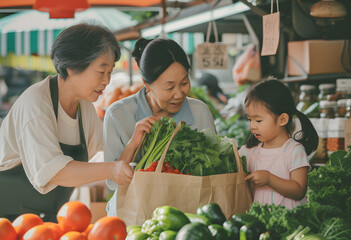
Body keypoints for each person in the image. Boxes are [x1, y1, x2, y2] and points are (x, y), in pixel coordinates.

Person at [0, 23, 134, 222]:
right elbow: (52, 172)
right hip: (7, 221)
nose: (107, 80)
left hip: (49, 222)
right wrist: (111, 170)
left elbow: (107, 152)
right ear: (72, 67)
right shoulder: (36, 104)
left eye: (110, 72)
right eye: (101, 71)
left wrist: (134, 141)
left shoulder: (84, 108)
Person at [104, 37, 216, 216]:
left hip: (187, 214)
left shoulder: (200, 112)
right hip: (133, 217)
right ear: (147, 84)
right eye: (169, 88)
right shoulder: (118, 114)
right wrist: (133, 145)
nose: (179, 94)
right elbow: (112, 183)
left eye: (184, 83)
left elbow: (213, 175)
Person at [238, 79, 318, 209]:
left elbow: (299, 190)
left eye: (258, 120)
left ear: (282, 120)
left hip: (290, 222)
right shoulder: (249, 152)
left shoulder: (294, 151)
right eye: (249, 119)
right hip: (259, 224)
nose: (252, 126)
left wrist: (269, 179)